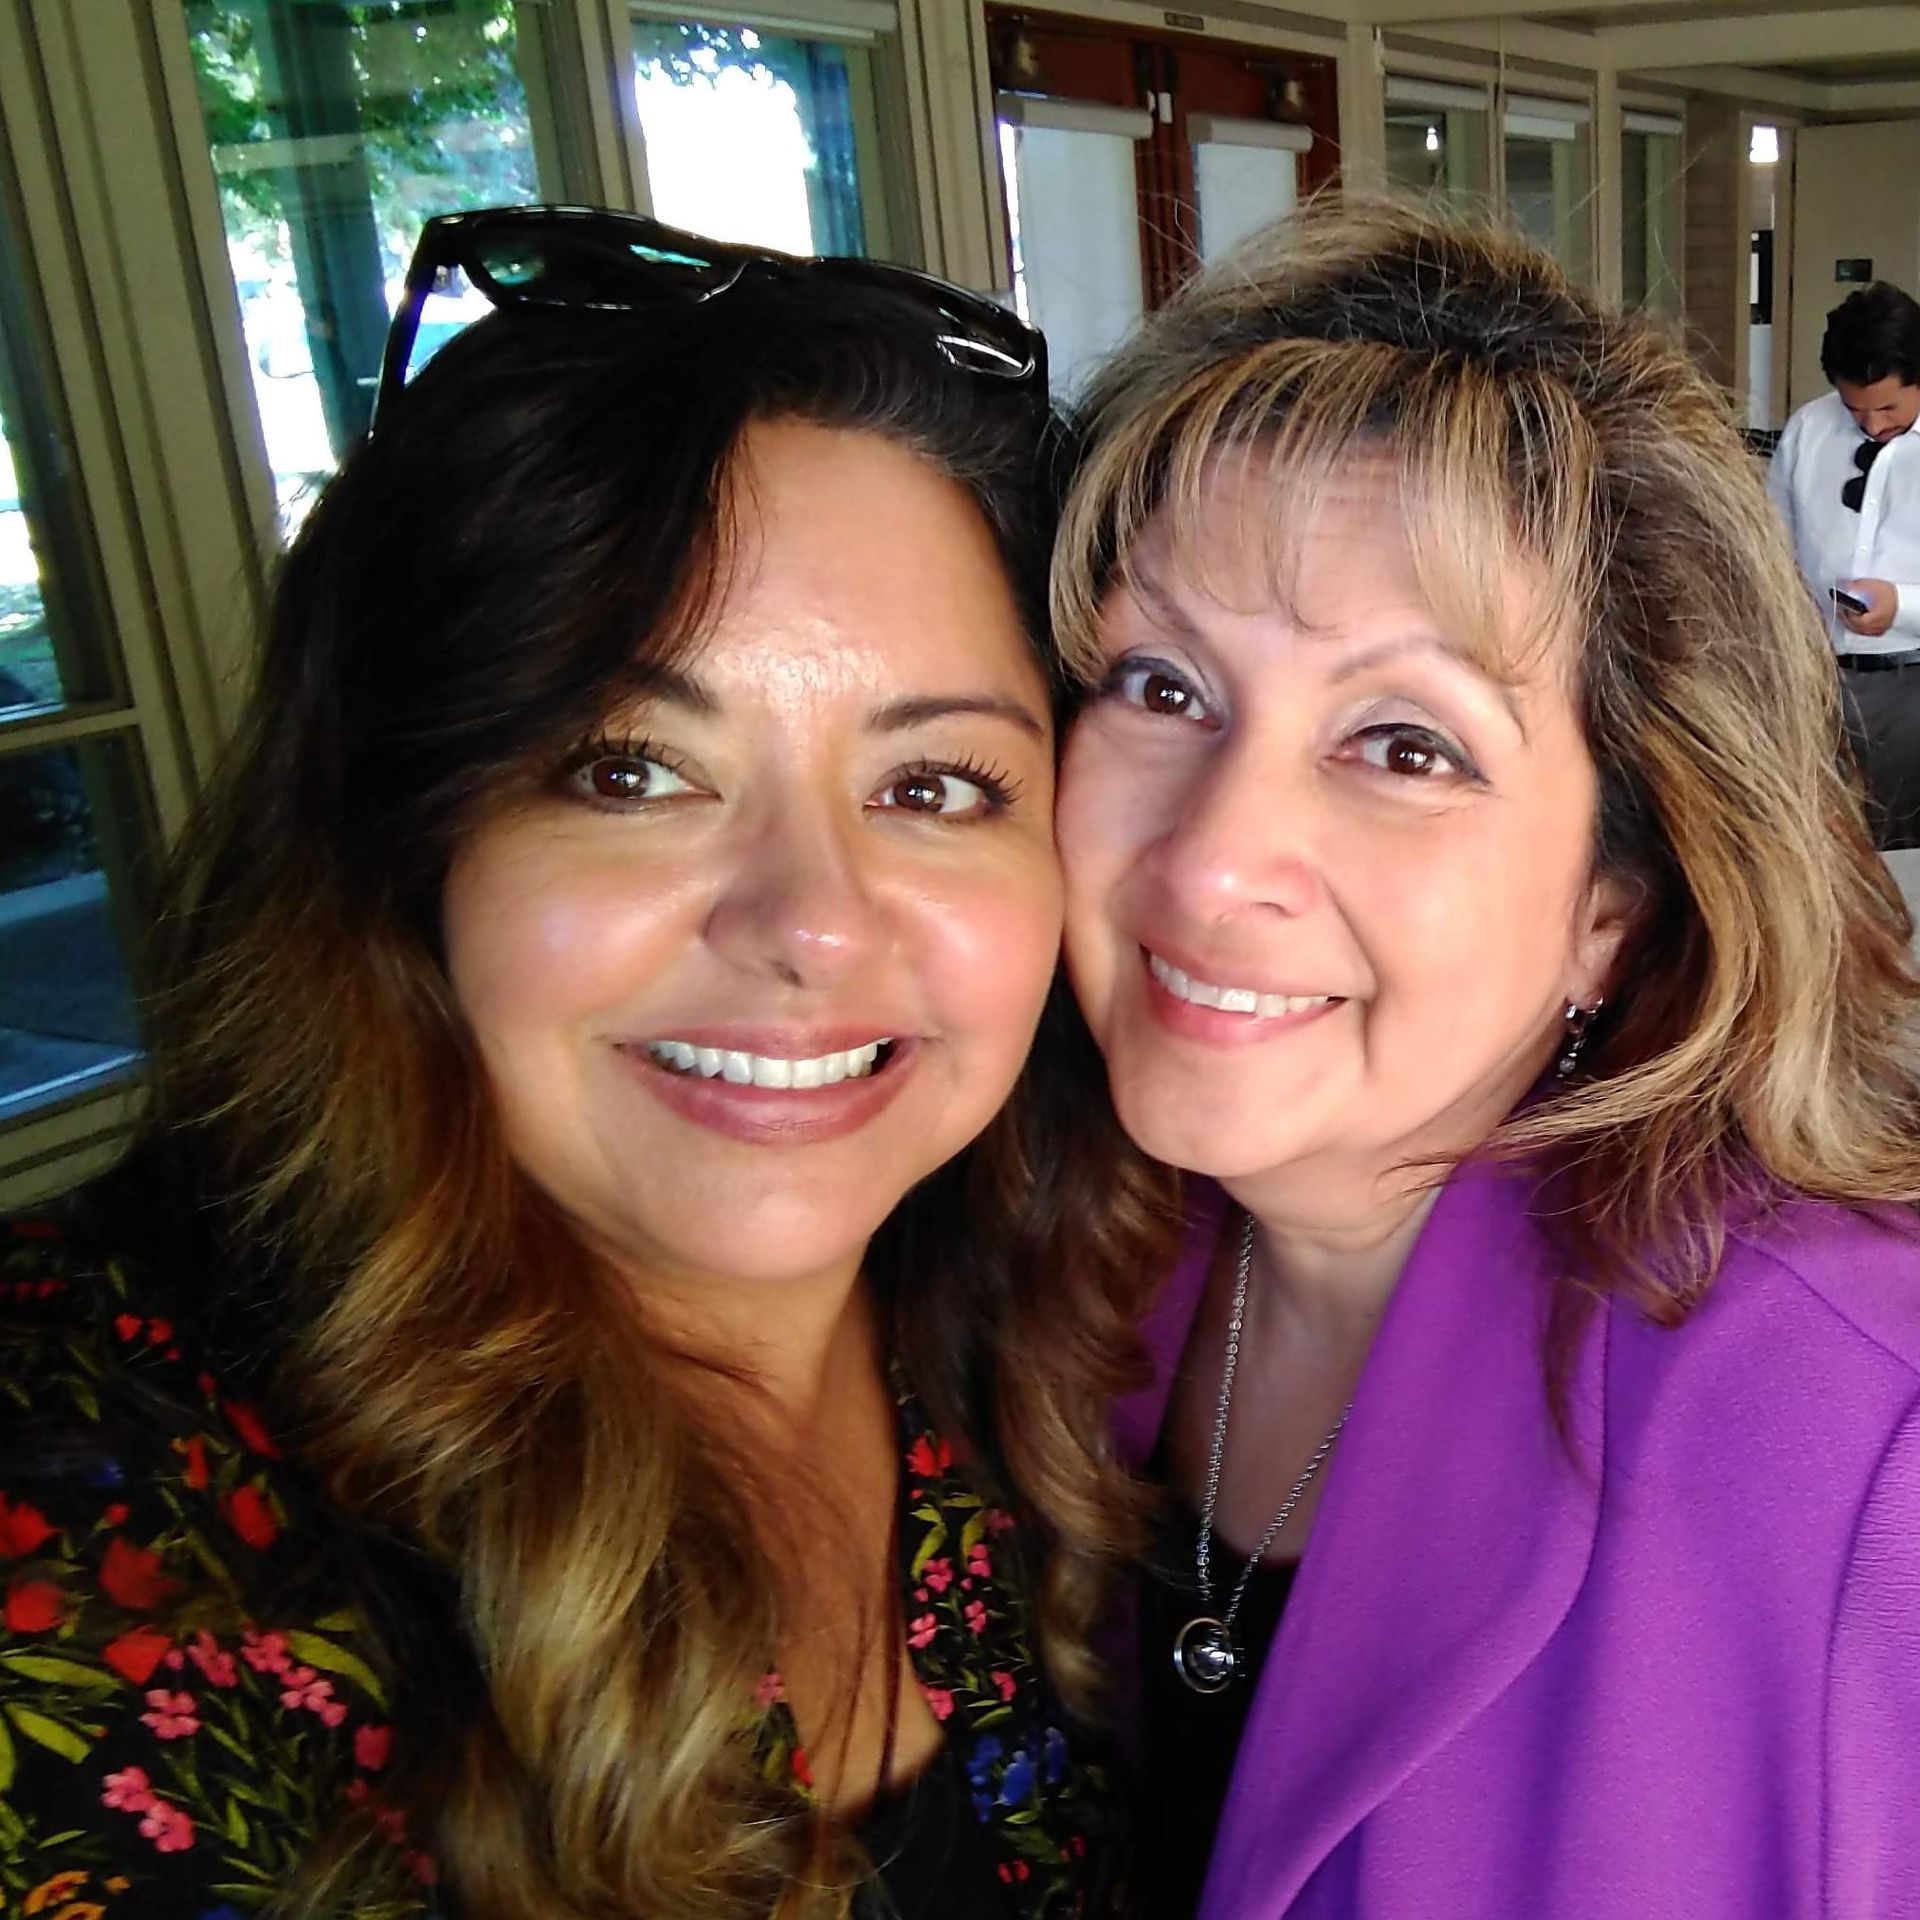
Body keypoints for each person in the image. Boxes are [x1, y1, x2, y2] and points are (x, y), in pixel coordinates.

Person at [0, 208, 1160, 1919]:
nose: (809, 922)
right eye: (631, 771)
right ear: (406, 838)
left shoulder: (1061, 1319)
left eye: (932, 787)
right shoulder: (87, 1523)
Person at [1050, 200, 1920, 1918]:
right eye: (1162, 685)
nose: (1212, 862)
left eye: (1404, 745)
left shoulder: (1863, 1450)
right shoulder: (1030, 1253)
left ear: (1614, 905)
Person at [1767, 279, 1920, 845]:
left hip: (1910, 685)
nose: (1873, 425)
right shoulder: (1810, 428)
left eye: (1889, 408)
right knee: (1812, 840)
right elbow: (1772, 540)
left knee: (1901, 847)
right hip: (1812, 678)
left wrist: (1901, 606)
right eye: (1856, 408)